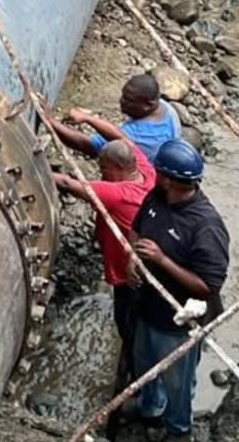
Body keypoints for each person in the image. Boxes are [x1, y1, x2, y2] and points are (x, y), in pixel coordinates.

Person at [129, 139, 230, 442]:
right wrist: (133, 259)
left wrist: (162, 260)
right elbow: (136, 229)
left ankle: (178, 430)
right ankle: (150, 409)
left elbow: (209, 286)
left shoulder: (206, 226)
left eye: (158, 171)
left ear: (169, 180)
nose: (154, 174)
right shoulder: (157, 196)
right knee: (144, 363)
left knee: (178, 382)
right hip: (147, 306)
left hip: (179, 323)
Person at [52, 113, 155, 340]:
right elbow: (118, 136)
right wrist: (85, 118)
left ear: (118, 168)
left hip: (129, 274)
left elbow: (67, 183)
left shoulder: (116, 193)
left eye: (104, 168)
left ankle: (129, 356)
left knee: (127, 323)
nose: (101, 173)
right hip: (145, 263)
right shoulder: (146, 170)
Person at [55, 75, 181, 164]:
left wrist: (51, 121)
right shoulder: (166, 108)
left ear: (148, 105)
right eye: (123, 95)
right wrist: (88, 118)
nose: (121, 101)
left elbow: (88, 145)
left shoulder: (139, 135)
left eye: (129, 100)